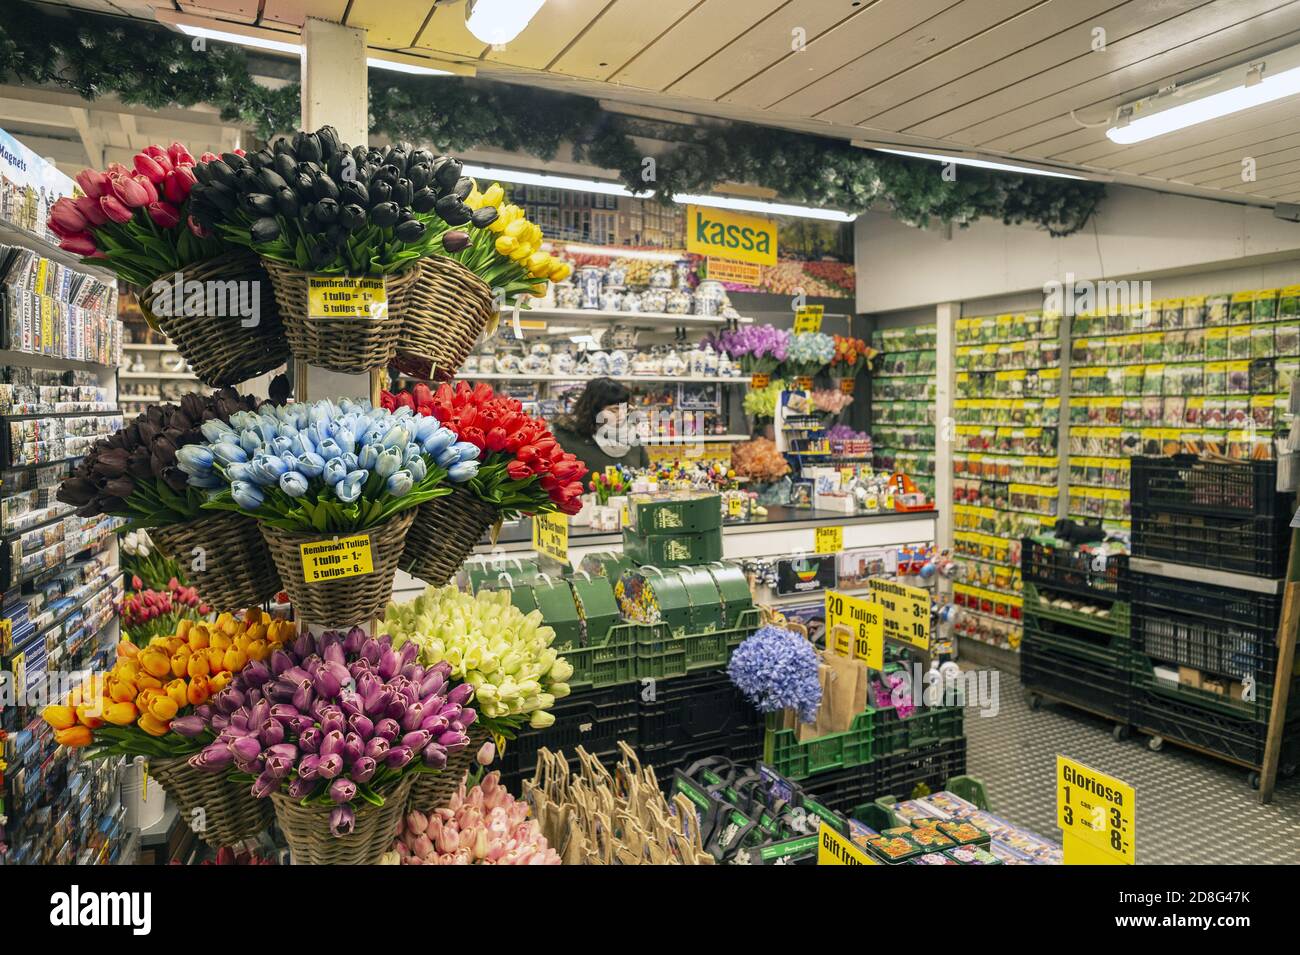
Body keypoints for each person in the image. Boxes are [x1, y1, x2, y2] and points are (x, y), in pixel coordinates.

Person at [552, 377, 649, 472]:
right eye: (614, 410)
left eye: (625, 409)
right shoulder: (567, 440)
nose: (622, 416)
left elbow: (645, 476)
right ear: (593, 411)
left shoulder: (633, 439)